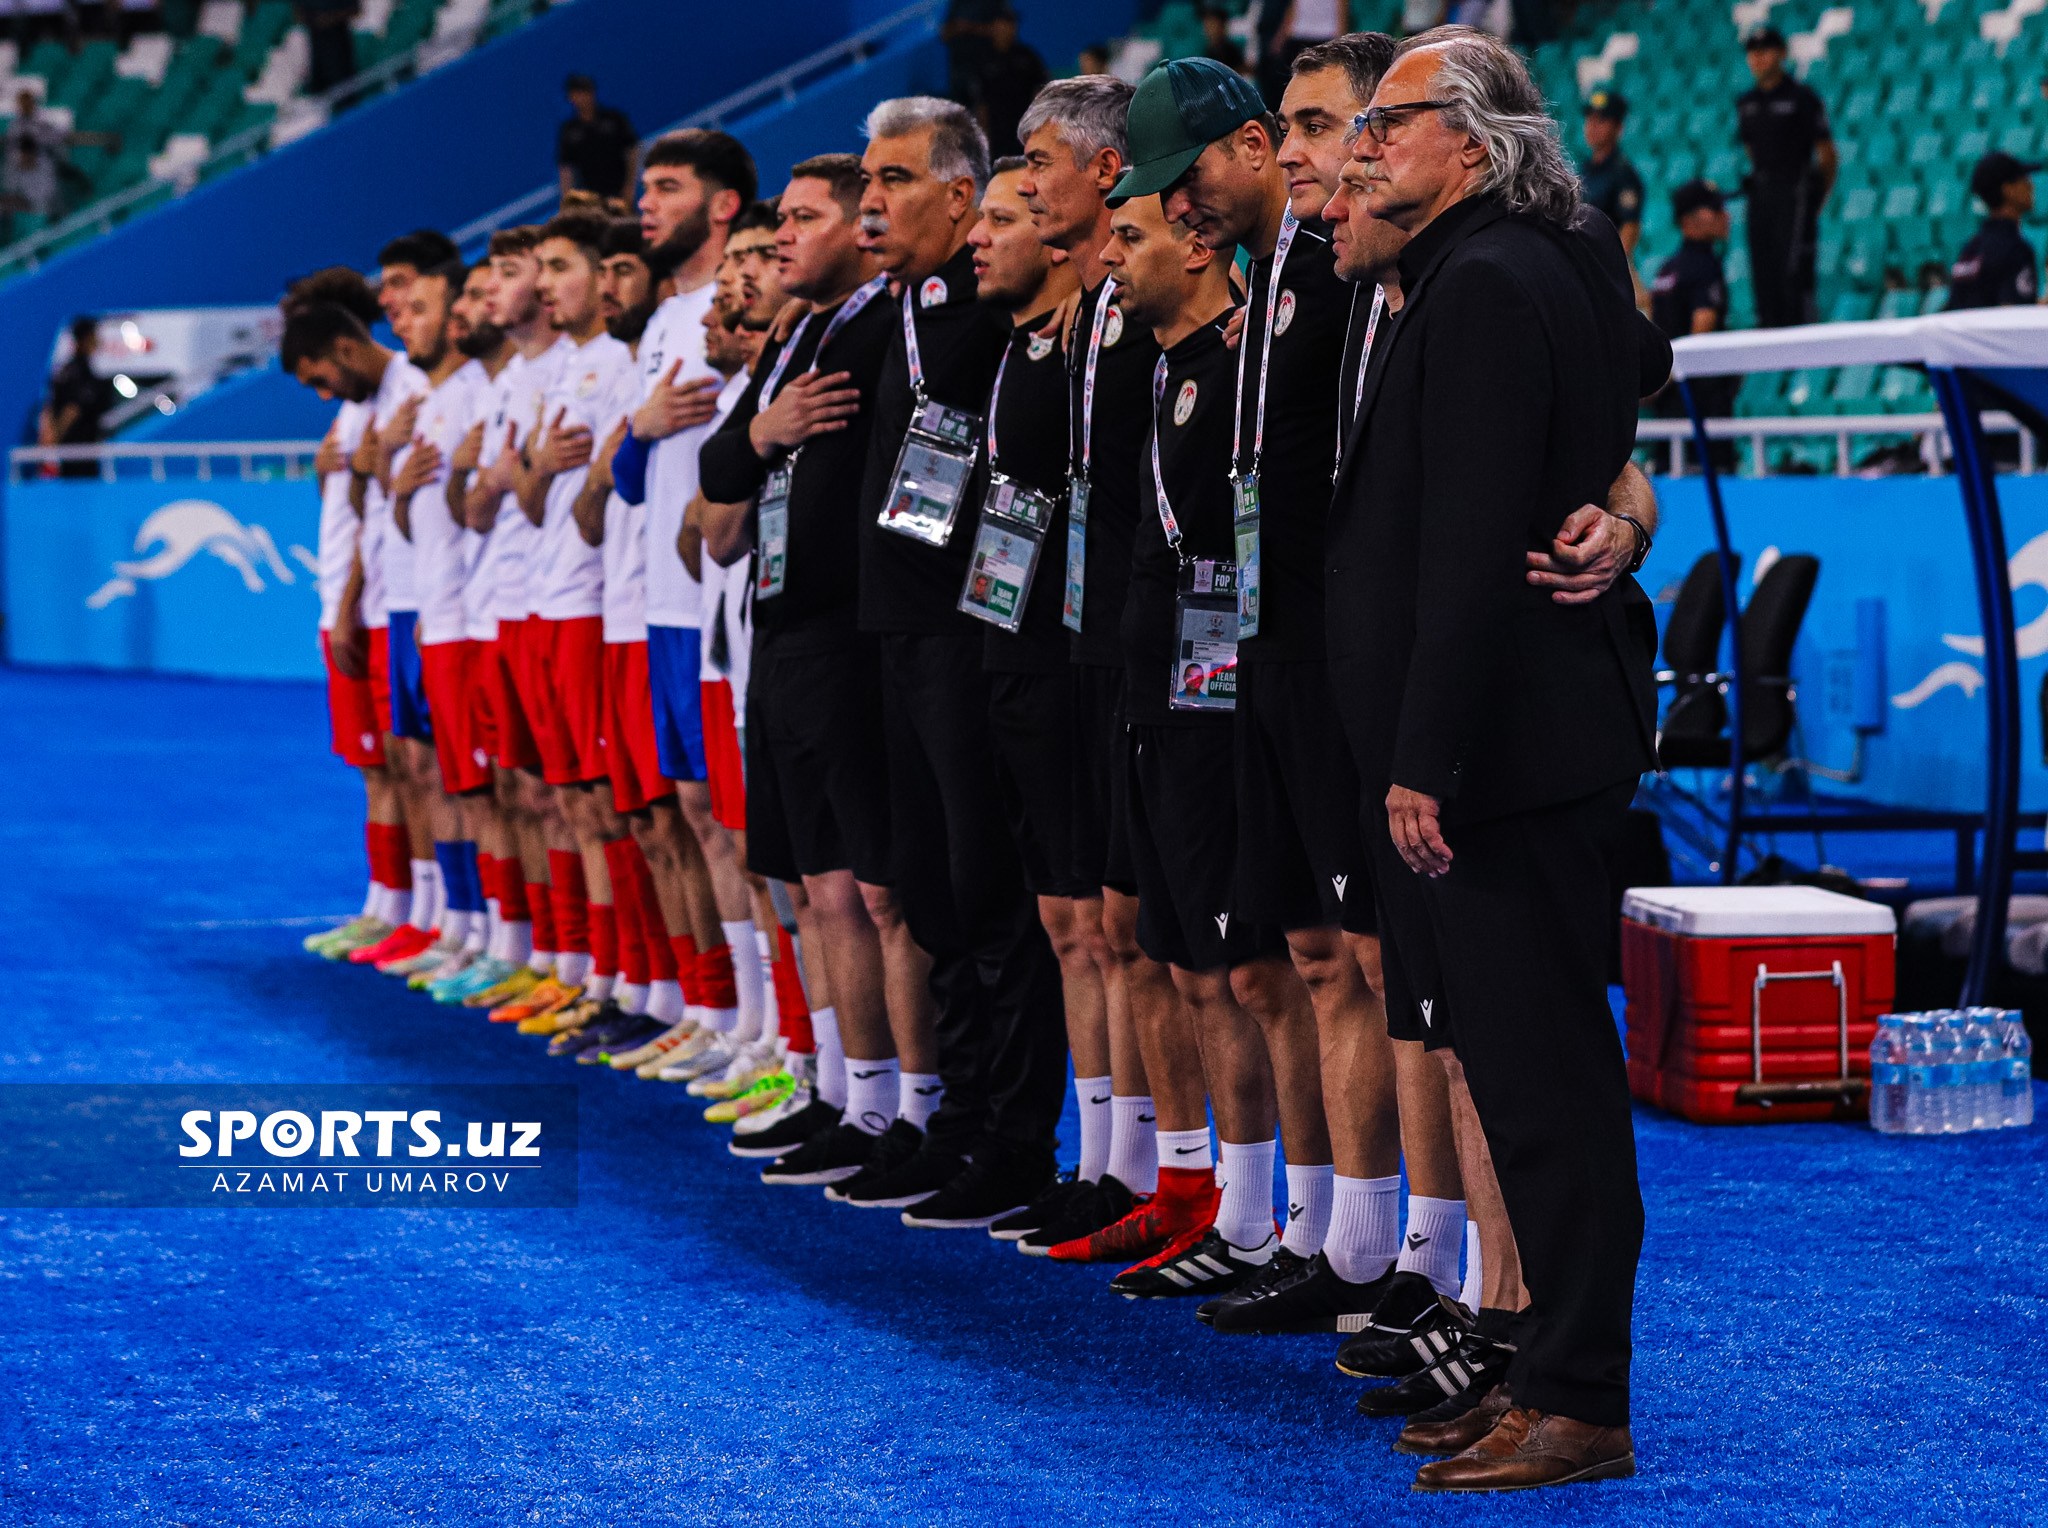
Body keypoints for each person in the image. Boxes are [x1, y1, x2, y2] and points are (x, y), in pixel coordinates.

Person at [1334, 26, 1660, 1491]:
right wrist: (1613, 500)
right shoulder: (1556, 258)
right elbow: (1611, 407)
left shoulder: (1478, 281)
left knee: (1547, 1090)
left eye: (1387, 124)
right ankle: (1543, 1373)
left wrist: (1425, 757)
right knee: (1534, 1083)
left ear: (1469, 144)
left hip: (1505, 754)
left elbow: (1464, 546)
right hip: (1540, 735)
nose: (1360, 151)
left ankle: (1579, 1398)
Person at [851, 95, 1068, 1229]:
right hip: (896, 633)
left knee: (991, 898)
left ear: (955, 190)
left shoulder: (992, 311)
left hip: (969, 634)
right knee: (934, 893)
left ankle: (1012, 1135)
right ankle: (956, 1119)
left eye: (890, 180)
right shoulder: (893, 308)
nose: (868, 201)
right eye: (864, 182)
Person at [695, 153, 928, 1190]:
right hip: (779, 631)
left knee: (879, 889)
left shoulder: (883, 326)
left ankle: (914, 1111)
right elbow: (717, 473)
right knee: (813, 885)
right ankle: (850, 1093)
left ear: (858, 229)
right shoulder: (800, 334)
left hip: (850, 637)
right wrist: (765, 426)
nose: (781, 236)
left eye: (802, 218)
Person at [1010, 74, 1189, 1263]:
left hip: (1157, 649)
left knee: (1155, 935)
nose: (1025, 184)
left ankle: (1187, 1176)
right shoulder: (1074, 311)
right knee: (1092, 924)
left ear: (1104, 165)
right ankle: (1110, 1160)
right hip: (1084, 639)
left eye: (1038, 159)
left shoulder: (1155, 301)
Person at [1737, 25, 1835, 328]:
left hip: (1794, 191)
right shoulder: (1746, 103)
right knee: (1763, 271)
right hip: (1762, 194)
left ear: (1781, 54)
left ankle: (1800, 341)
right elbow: (1751, 149)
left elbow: (1827, 154)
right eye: (1753, 52)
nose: (1758, 59)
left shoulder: (1802, 98)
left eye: (1765, 51)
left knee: (1793, 272)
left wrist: (1815, 198)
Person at [1649, 179, 1734, 466]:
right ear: (1689, 219)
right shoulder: (1705, 267)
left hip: (1667, 401)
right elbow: (1701, 334)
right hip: (1700, 402)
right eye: (1715, 209)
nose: (1726, 215)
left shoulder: (1666, 269)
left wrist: (1655, 382)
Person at [1948, 151, 2040, 309]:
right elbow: (2014, 318)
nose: (2030, 186)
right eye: (2024, 180)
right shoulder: (2016, 250)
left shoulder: (1969, 250)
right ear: (2008, 190)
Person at [38, 315, 116, 478]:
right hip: (77, 454)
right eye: (95, 335)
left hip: (84, 450)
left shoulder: (70, 371)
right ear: (86, 339)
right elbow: (71, 410)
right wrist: (54, 443)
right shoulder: (76, 373)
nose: (98, 340)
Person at [966, 4, 1047, 158]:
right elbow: (981, 106)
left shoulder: (1028, 57)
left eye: (1012, 24)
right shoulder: (983, 60)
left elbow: (1041, 94)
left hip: (1026, 135)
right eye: (1004, 23)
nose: (1009, 28)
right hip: (998, 138)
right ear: (994, 26)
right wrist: (984, 142)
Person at [1576, 90, 1642, 273]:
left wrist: (1611, 268)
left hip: (1605, 268)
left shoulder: (1623, 173)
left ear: (1618, 127)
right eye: (1590, 119)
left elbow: (1630, 226)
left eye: (1602, 120)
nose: (1592, 126)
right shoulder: (1586, 169)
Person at [557, 74, 640, 203]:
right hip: (591, 198)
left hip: (619, 192)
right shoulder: (569, 131)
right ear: (570, 98)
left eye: (585, 92)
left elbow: (632, 151)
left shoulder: (614, 119)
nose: (582, 98)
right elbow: (566, 168)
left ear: (592, 93)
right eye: (576, 94)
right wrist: (567, 200)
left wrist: (630, 185)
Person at [296, 0, 360, 95]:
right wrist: (311, 19)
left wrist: (327, 18)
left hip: (340, 57)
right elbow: (297, 14)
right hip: (318, 58)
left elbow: (355, 10)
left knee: (344, 95)